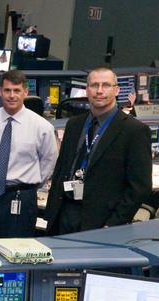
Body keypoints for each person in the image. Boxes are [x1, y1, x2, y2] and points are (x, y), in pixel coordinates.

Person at [45, 66, 151, 235]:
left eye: (106, 85)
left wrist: (113, 224)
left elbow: (140, 187)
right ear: (87, 90)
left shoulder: (134, 130)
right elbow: (61, 169)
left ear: (116, 90)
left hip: (100, 220)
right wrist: (52, 213)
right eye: (94, 85)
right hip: (64, 213)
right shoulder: (74, 124)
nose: (99, 91)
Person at [0, 70, 59, 238]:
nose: (11, 95)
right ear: (0, 92)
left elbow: (49, 162)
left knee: (16, 250)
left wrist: (27, 185)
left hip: (21, 196)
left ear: (26, 92)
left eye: (17, 90)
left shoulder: (42, 127)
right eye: (7, 90)